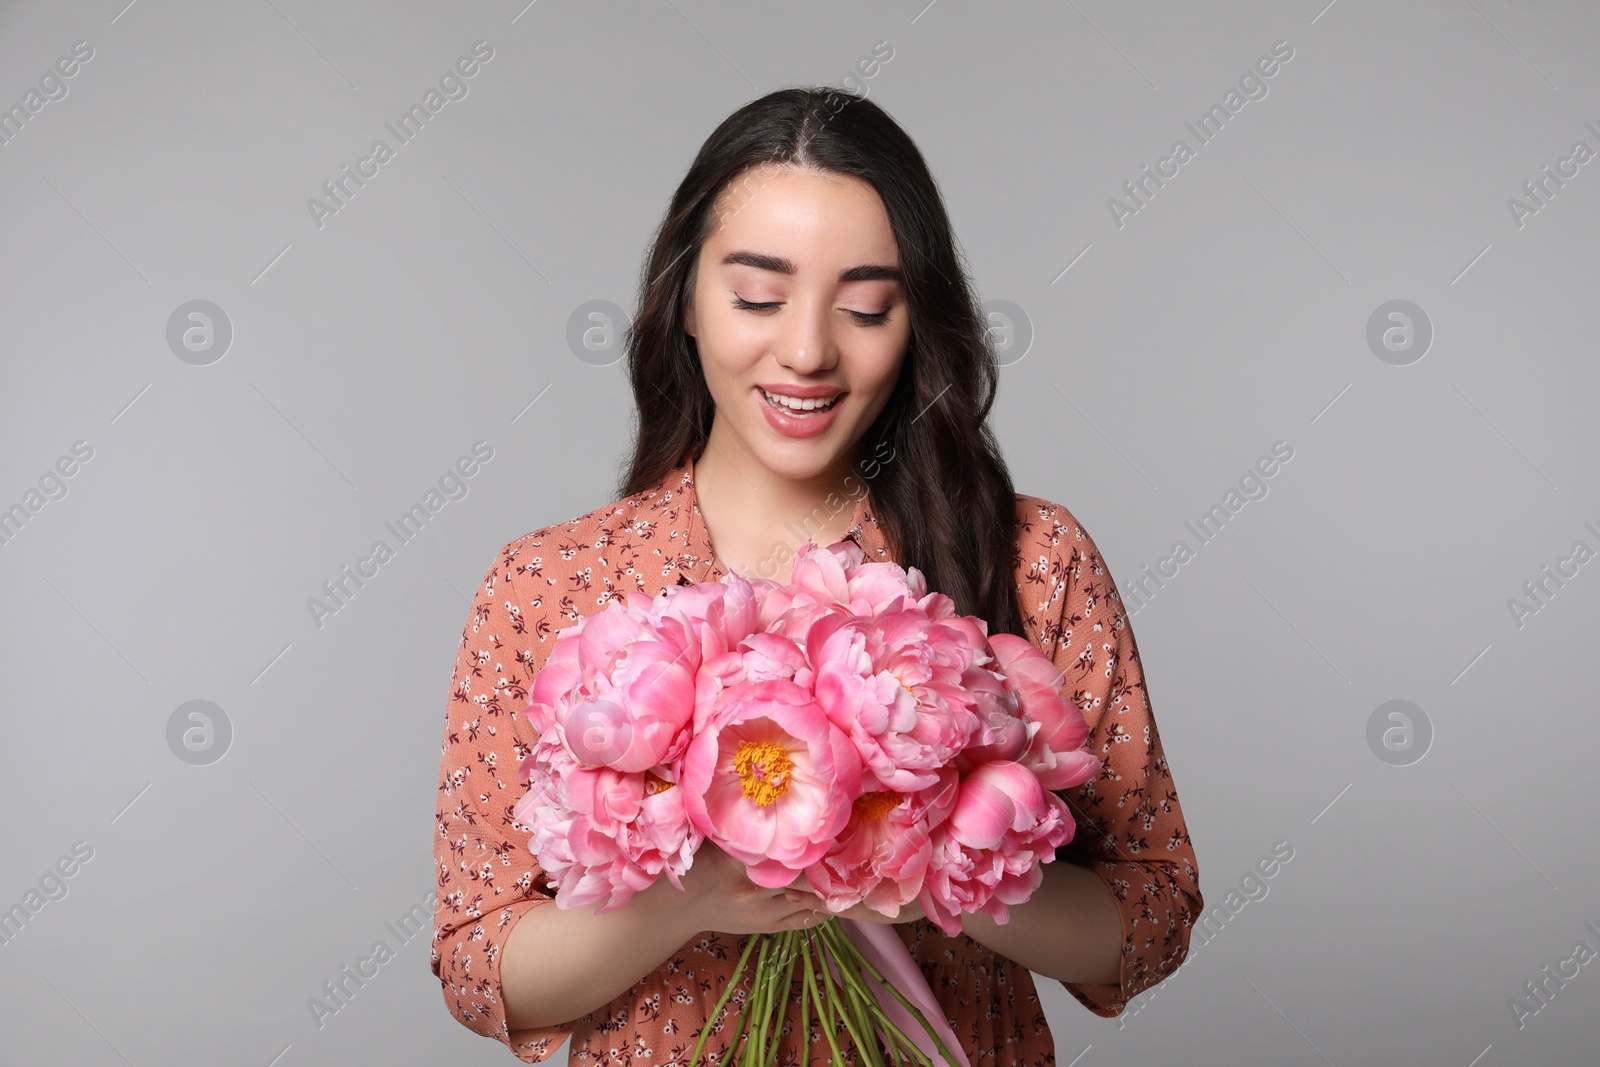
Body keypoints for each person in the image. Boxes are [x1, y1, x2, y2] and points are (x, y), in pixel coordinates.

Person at [432, 86, 1202, 1064]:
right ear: (683, 302)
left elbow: (1149, 919)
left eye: (866, 306)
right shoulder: (552, 582)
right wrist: (695, 896)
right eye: (757, 295)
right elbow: (476, 959)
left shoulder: (1029, 558)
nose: (805, 350)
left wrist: (927, 852)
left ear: (917, 319)